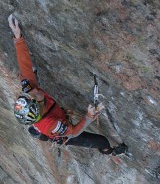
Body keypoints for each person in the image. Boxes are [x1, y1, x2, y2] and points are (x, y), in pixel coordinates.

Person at [8, 14, 128, 155]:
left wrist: (18, 38)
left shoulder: (30, 93)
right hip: (60, 133)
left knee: (38, 127)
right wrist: (89, 116)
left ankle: (39, 134)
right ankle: (112, 152)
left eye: (29, 94)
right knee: (101, 141)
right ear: (38, 108)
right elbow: (74, 132)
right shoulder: (52, 124)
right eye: (33, 96)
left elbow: (25, 67)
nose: (33, 91)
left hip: (43, 123)